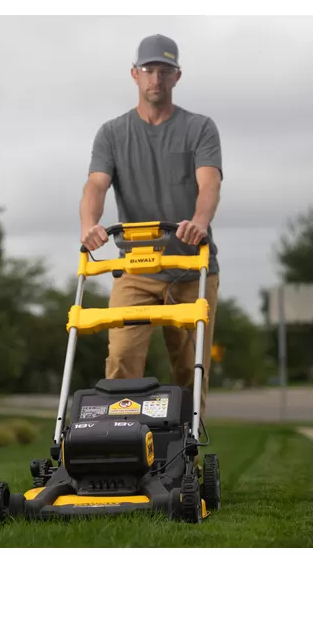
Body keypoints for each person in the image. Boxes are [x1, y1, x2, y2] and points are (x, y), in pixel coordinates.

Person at [79, 33, 223, 421]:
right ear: (134, 74)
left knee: (190, 369)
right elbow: (95, 185)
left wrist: (200, 222)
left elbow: (209, 183)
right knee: (122, 356)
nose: (155, 79)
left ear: (177, 76)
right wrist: (90, 225)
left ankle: (186, 445)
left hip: (191, 269)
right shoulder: (112, 133)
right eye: (148, 70)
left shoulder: (199, 128)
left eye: (164, 70)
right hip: (136, 270)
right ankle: (117, 437)